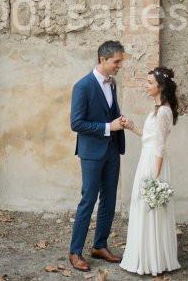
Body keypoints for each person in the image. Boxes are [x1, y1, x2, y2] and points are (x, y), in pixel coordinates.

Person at [68, 40, 126, 273]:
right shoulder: (82, 86)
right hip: (92, 152)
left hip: (112, 149)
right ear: (103, 59)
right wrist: (108, 127)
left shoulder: (112, 83)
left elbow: (108, 113)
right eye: (116, 62)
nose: (119, 66)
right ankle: (75, 252)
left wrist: (119, 121)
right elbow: (76, 123)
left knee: (109, 200)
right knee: (89, 199)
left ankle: (100, 245)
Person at [119, 66, 181, 276]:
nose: (146, 86)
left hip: (153, 163)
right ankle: (144, 256)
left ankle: (153, 260)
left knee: (150, 209)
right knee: (144, 209)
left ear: (160, 87)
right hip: (147, 158)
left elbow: (160, 147)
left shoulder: (163, 112)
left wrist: (155, 179)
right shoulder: (157, 109)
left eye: (149, 83)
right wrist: (131, 126)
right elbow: (149, 137)